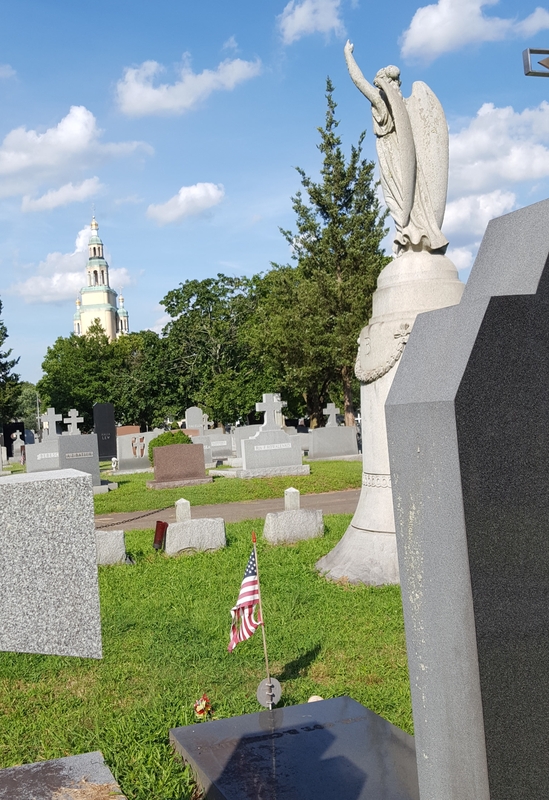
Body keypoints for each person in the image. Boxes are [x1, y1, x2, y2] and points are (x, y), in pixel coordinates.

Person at [344, 40, 449, 256]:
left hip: (393, 155)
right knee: (408, 199)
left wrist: (348, 55)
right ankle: (412, 236)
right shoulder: (403, 108)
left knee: (398, 201)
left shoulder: (382, 103)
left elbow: (358, 80)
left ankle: (408, 237)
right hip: (400, 154)